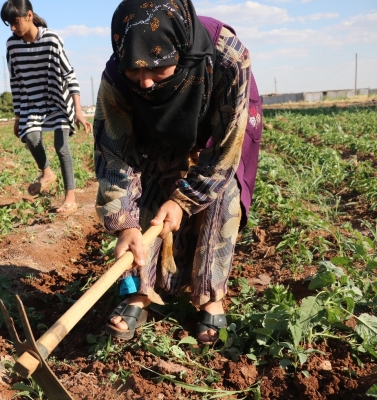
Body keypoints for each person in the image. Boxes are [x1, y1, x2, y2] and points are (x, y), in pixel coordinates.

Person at [94, 0, 262, 344]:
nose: (144, 82)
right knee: (153, 187)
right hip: (156, 132)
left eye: (158, 69)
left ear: (180, 51)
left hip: (221, 130)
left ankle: (211, 297)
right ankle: (140, 292)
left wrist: (184, 201)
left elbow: (225, 148)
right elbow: (114, 154)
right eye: (133, 71)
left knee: (221, 193)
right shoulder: (116, 77)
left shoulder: (225, 56)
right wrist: (124, 222)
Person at [1, 0, 93, 214]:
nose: (13, 28)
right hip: (31, 103)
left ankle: (70, 197)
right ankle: (47, 173)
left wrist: (78, 111)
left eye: (15, 22)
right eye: (9, 24)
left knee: (61, 146)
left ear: (29, 16)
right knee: (32, 139)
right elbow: (15, 82)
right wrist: (17, 118)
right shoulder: (12, 45)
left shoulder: (51, 39)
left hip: (57, 101)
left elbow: (69, 74)